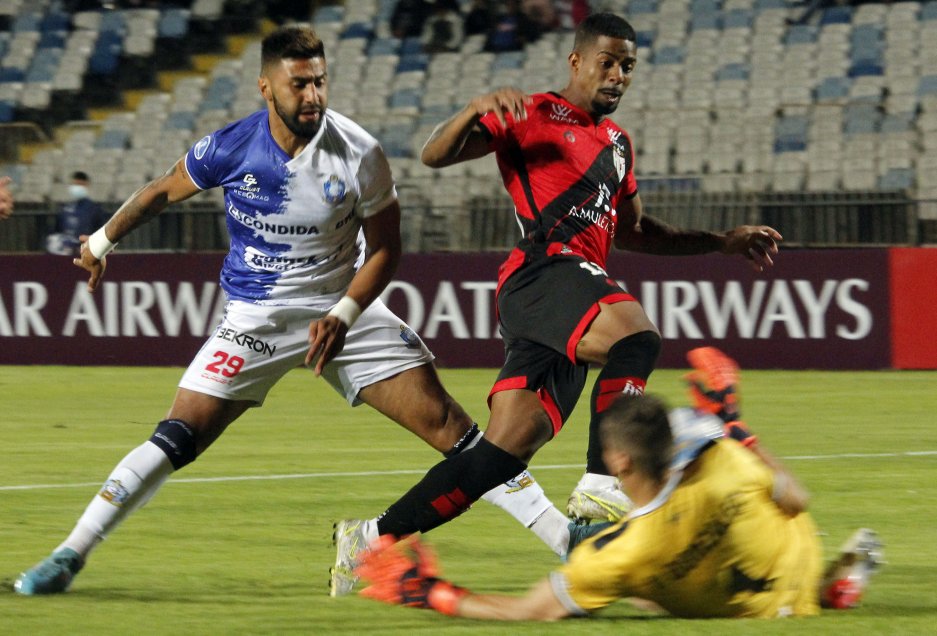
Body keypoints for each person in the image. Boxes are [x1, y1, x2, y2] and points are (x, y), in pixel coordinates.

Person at [13, 25, 566, 597]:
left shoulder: (359, 152)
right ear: (265, 87)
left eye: (320, 82)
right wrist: (100, 242)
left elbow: (387, 250)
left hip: (342, 310)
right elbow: (160, 191)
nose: (312, 96)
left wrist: (346, 314)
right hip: (255, 318)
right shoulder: (232, 146)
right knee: (176, 436)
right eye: (298, 84)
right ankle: (70, 553)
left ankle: (567, 539)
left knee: (455, 430)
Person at [330, 12, 785, 589]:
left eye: (628, 67)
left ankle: (368, 540)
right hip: (544, 271)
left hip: (568, 299)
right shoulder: (535, 114)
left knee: (498, 459)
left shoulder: (618, 145)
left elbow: (637, 232)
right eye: (608, 62)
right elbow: (433, 155)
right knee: (638, 339)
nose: (618, 75)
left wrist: (722, 243)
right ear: (577, 61)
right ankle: (603, 483)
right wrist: (475, 108)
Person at [354, 350, 884, 620]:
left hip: (738, 601)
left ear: (621, 460)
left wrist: (429, 593)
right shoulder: (723, 459)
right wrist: (734, 423)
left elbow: (529, 611)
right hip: (797, 566)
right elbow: (796, 498)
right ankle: (831, 588)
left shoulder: (622, 554)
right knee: (736, 532)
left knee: (635, 585)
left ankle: (835, 588)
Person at [45, 171, 107, 256]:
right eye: (75, 185)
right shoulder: (65, 209)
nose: (77, 188)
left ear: (87, 185)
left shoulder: (95, 209)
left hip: (86, 252)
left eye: (80, 185)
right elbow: (57, 230)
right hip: (65, 252)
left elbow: (101, 233)